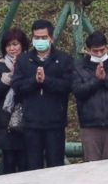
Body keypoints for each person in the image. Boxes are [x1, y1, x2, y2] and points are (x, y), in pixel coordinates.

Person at [12, 19, 74, 170]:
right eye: (36, 38)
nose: (40, 41)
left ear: (51, 38)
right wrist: (34, 81)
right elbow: (17, 86)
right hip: (31, 123)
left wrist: (46, 81)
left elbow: (68, 86)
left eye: (43, 37)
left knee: (55, 166)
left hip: (55, 122)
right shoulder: (24, 60)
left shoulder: (64, 59)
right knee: (33, 167)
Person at [72, 31, 108, 161]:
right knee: (92, 166)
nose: (99, 54)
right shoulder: (79, 69)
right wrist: (97, 80)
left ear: (107, 48)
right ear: (88, 50)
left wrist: (106, 79)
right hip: (90, 125)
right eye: (95, 51)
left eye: (102, 50)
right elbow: (78, 92)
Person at [0, 27, 29, 175]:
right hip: (6, 123)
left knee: (26, 164)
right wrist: (8, 79)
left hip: (27, 120)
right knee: (9, 163)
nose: (12, 48)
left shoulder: (30, 63)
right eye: (8, 45)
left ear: (22, 45)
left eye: (15, 44)